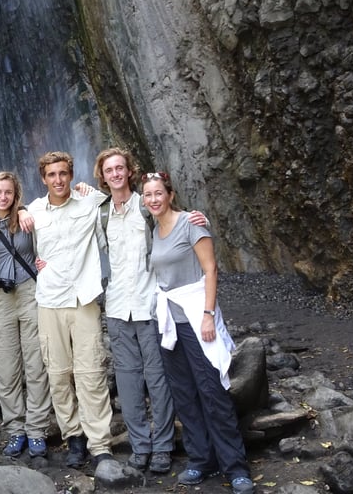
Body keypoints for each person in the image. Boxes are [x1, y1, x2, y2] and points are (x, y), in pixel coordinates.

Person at [81, 148, 207, 474]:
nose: (116, 174)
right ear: (103, 176)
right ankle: (140, 445)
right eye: (109, 170)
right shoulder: (101, 211)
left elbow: (171, 217)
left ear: (129, 171)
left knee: (158, 379)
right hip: (118, 306)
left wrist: (197, 218)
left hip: (150, 305)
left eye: (120, 168)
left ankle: (163, 446)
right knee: (127, 381)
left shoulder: (145, 205)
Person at [142, 171, 254, 494]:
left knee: (212, 391)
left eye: (158, 193)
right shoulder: (155, 228)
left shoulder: (191, 223)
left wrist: (208, 315)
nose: (153, 200)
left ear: (170, 194)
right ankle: (201, 460)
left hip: (195, 317)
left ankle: (235, 467)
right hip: (169, 323)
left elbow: (210, 269)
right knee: (184, 394)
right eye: (148, 195)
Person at [27, 151, 117, 486]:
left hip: (84, 299)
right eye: (52, 175)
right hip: (49, 300)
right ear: (44, 178)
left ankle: (100, 445)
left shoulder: (89, 201)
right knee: (58, 374)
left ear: (71, 174)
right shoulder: (32, 212)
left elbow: (123, 196)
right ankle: (74, 435)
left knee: (91, 372)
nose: (58, 180)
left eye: (63, 173)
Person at [0, 171, 51, 458]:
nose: (3, 197)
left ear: (15, 193)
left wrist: (22, 210)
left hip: (29, 290)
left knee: (35, 362)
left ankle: (36, 430)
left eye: (8, 192)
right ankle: (15, 429)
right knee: (6, 365)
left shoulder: (28, 216)